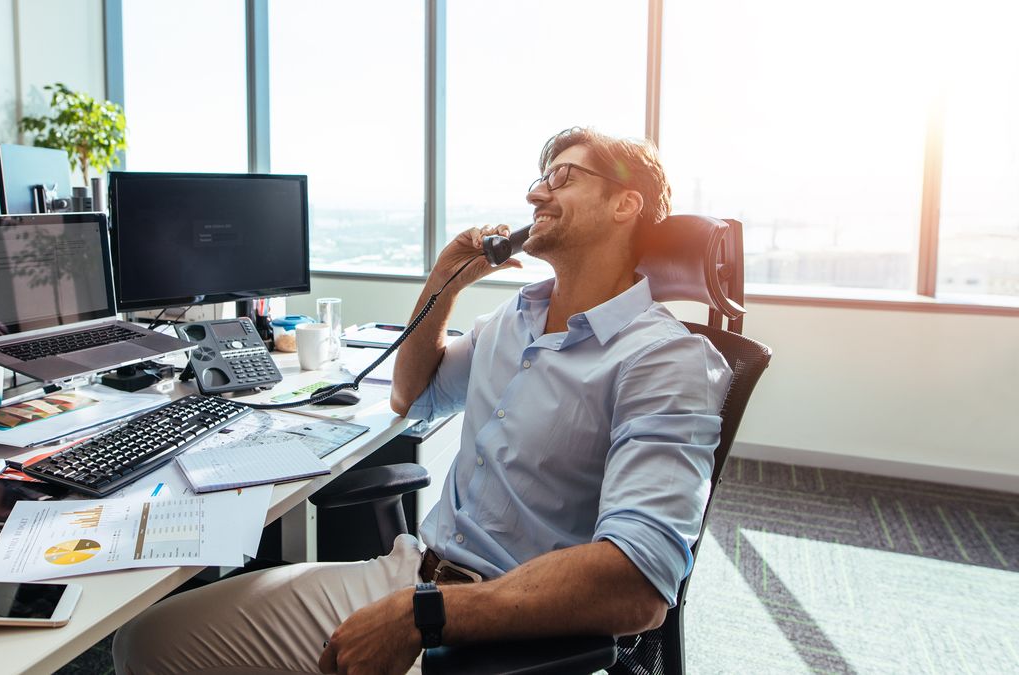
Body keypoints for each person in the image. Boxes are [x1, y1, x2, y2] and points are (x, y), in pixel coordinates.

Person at [112, 127, 732, 675]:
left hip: (501, 630)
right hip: (412, 575)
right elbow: (413, 395)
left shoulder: (664, 360)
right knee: (146, 644)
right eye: (540, 179)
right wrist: (445, 280)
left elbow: (638, 587)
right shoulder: (511, 320)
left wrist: (425, 617)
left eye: (564, 178)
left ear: (627, 204)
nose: (536, 195)